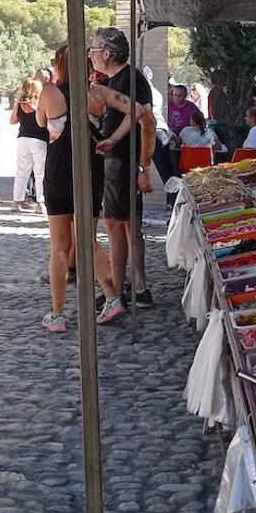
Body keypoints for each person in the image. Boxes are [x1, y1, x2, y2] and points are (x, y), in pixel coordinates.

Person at [39, 45, 144, 330]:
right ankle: (112, 297)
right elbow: (137, 110)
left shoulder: (50, 92)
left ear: (59, 64)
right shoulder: (98, 93)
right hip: (90, 172)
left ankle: (58, 315)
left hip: (59, 172)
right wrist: (112, 138)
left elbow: (40, 123)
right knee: (88, 239)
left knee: (60, 246)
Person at [88, 27, 157, 310]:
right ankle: (138, 287)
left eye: (93, 49)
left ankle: (115, 291)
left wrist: (142, 166)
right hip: (124, 161)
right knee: (129, 226)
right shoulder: (124, 79)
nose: (90, 55)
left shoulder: (127, 80)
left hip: (121, 161)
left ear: (106, 52)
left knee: (116, 227)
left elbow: (145, 119)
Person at [10, 78, 48, 212]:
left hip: (23, 139)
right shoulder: (38, 105)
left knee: (21, 171)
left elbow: (12, 121)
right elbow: (43, 121)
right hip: (39, 140)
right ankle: (40, 203)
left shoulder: (20, 105)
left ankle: (16, 202)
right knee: (40, 173)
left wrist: (17, 106)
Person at [141, 67, 174, 190]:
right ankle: (174, 198)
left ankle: (174, 197)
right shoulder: (155, 91)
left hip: (154, 131)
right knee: (166, 170)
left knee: (163, 169)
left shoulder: (145, 91)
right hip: (162, 131)